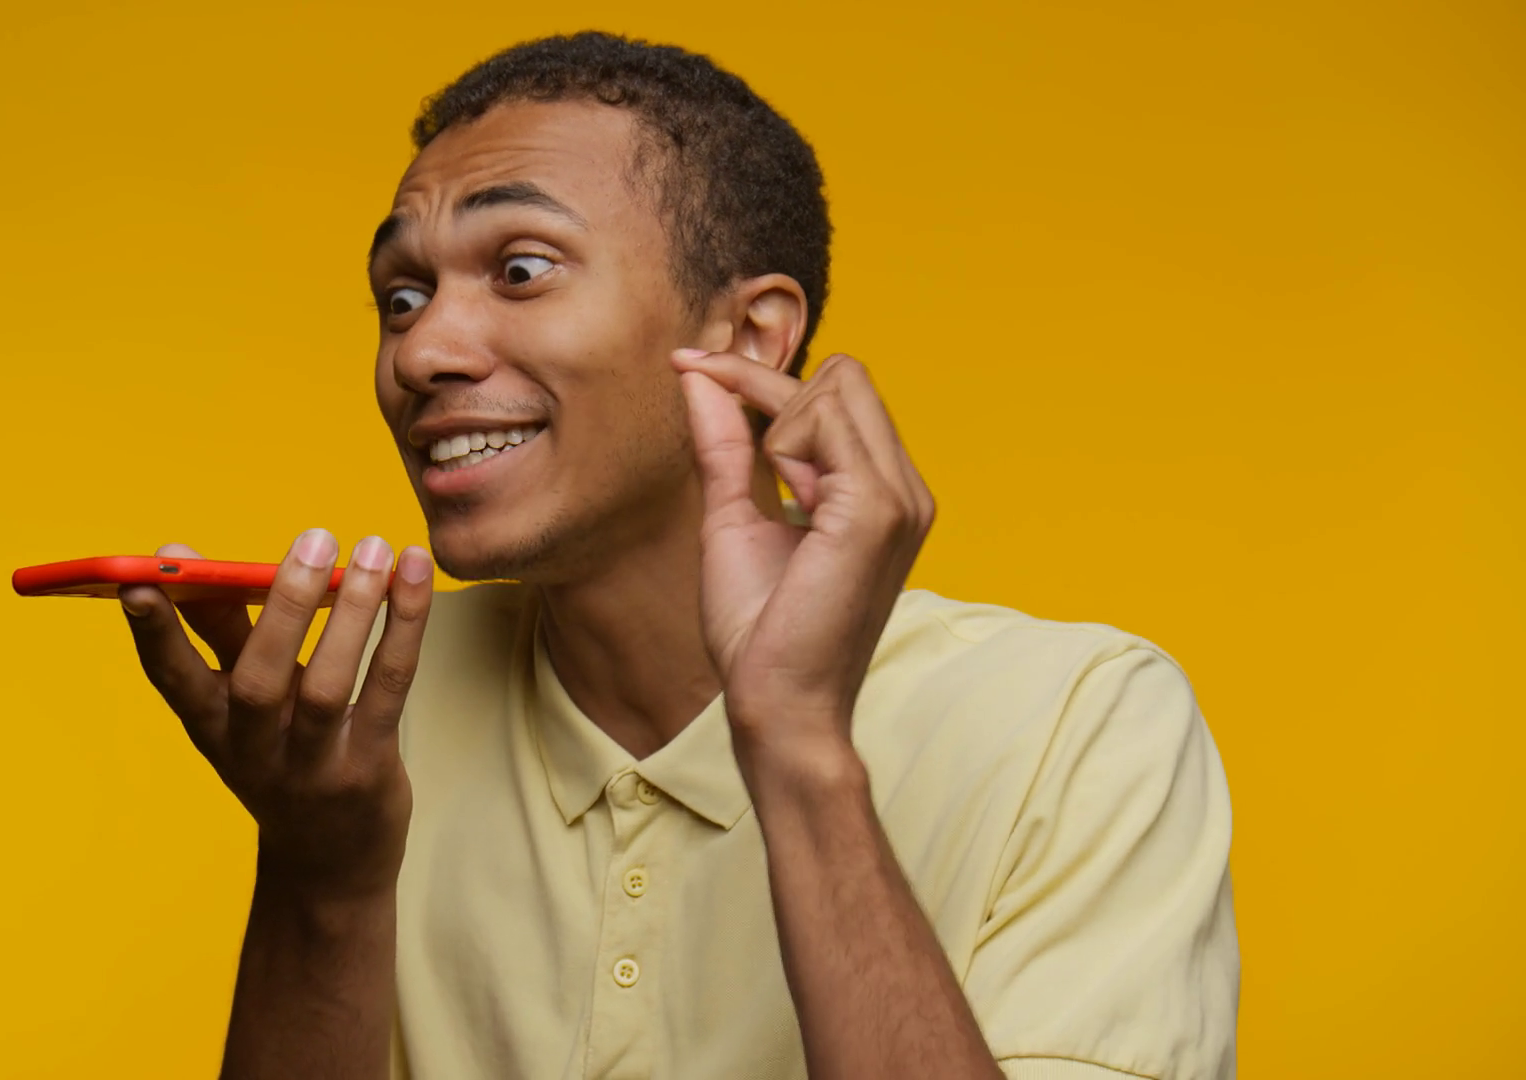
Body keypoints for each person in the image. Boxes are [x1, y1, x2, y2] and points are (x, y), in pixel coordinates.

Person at [114, 31, 1238, 1080]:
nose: (421, 353)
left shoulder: (1075, 728)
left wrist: (797, 741)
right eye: (401, 296)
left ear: (748, 335)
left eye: (521, 270)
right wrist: (321, 871)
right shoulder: (354, 718)